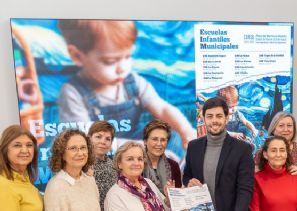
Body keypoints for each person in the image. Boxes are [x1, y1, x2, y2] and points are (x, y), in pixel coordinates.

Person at [57, 20, 196, 147]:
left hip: (136, 146)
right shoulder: (72, 93)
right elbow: (85, 141)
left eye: (127, 56)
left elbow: (162, 108)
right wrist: (142, 149)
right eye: (110, 62)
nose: (122, 68)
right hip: (101, 156)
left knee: (174, 136)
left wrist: (186, 130)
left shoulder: (133, 82)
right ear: (77, 56)